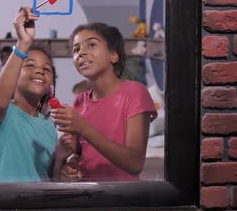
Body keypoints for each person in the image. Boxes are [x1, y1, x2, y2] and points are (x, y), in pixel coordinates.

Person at [51, 22, 157, 181]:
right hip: (87, 195)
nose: (81, 53)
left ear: (113, 55)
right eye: (76, 49)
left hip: (120, 198)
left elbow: (135, 164)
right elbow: (81, 152)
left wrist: (83, 127)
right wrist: (72, 163)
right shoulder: (80, 101)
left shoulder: (135, 92)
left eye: (92, 45)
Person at [0, 7, 61, 183]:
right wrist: (22, 43)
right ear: (15, 71)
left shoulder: (49, 127)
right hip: (4, 208)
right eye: (30, 65)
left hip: (38, 208)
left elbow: (49, 178)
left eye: (46, 69)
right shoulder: (4, 113)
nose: (40, 71)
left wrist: (61, 159)